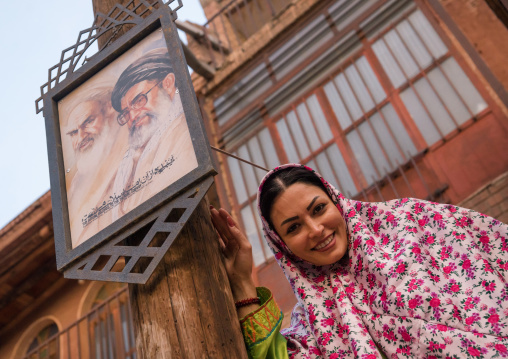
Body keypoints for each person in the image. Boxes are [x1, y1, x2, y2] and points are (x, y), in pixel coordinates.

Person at [210, 163, 508, 358]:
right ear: (282, 246)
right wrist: (241, 282)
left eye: (318, 209)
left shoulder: (413, 222)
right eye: (293, 227)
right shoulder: (314, 321)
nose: (316, 230)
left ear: (336, 201)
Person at [109, 48, 198, 221]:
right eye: (126, 113)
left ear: (168, 83)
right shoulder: (128, 161)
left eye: (139, 100)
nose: (133, 116)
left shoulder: (185, 132)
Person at [63, 87, 128, 247]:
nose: (81, 136)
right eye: (73, 133)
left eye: (89, 122)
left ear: (108, 110)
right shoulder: (76, 187)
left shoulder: (134, 145)